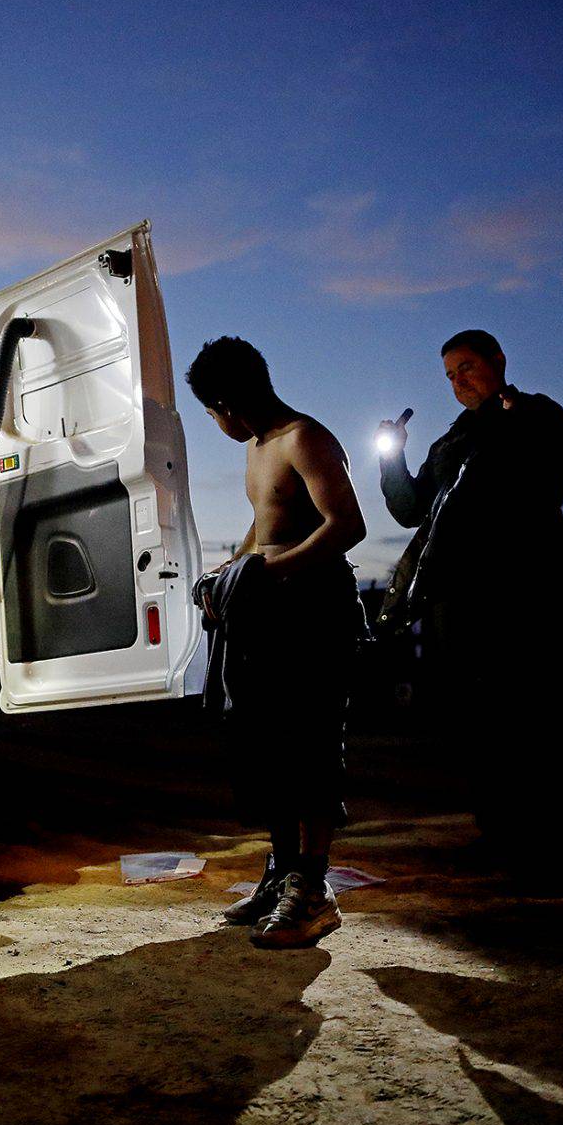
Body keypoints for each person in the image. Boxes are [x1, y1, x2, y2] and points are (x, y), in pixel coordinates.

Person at [186, 336, 368, 949]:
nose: (216, 426)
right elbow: (264, 526)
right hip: (269, 616)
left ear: (228, 405)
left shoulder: (303, 438)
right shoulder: (259, 447)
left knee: (312, 747)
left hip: (315, 611)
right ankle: (282, 872)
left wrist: (273, 570)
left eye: (212, 414)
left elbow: (348, 524)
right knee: (269, 749)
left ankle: (313, 892)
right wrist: (227, 571)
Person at [375, 330, 563, 841]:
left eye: (465, 367)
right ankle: (500, 830)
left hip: (524, 589)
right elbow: (408, 508)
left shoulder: (533, 412)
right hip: (457, 598)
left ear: (498, 360)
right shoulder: (451, 439)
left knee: (529, 710)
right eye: (448, 375)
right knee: (474, 717)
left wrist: (515, 415)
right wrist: (392, 457)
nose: (457, 382)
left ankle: (546, 829)